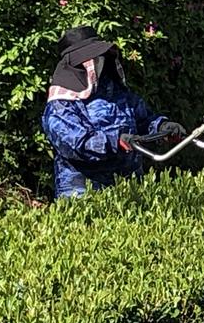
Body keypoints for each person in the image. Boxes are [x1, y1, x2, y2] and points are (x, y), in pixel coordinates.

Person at [42, 25, 186, 198]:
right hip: (84, 193)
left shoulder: (114, 91)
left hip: (129, 187)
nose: (100, 62)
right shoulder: (61, 104)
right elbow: (77, 143)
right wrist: (115, 141)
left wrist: (162, 126)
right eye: (94, 58)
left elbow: (143, 119)